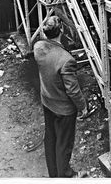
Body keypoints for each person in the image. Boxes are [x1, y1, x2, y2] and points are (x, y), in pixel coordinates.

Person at [34, 15, 88, 178]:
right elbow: (72, 89)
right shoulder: (66, 59)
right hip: (64, 109)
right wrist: (83, 106)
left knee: (50, 138)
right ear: (62, 30)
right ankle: (64, 174)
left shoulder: (38, 48)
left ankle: (54, 174)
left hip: (47, 101)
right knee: (64, 144)